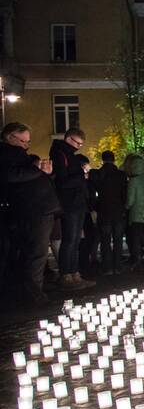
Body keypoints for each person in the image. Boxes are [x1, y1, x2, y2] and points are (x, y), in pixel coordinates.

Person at [0, 123, 59, 304]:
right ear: (9, 137)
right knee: (36, 252)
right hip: (32, 210)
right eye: (23, 141)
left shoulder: (20, 155)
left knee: (36, 252)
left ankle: (34, 287)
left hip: (39, 208)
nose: (26, 145)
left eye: (28, 141)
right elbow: (12, 176)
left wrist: (46, 173)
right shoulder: (5, 154)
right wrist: (36, 169)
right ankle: (33, 293)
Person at [49, 127, 93, 289]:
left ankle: (74, 273)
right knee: (70, 240)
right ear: (68, 139)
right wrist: (81, 177)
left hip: (77, 202)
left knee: (75, 240)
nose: (79, 147)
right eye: (77, 143)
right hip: (70, 203)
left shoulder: (68, 154)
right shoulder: (60, 154)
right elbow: (62, 181)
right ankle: (66, 275)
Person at [89, 150, 127, 276]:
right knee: (118, 239)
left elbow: (92, 194)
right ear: (114, 159)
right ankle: (118, 266)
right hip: (118, 210)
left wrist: (95, 207)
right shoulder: (121, 175)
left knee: (105, 240)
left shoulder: (97, 174)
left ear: (103, 159)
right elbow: (124, 194)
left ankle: (107, 266)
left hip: (104, 211)